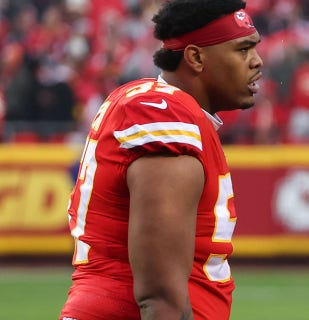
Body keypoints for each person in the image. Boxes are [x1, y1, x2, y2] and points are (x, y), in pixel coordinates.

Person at [59, 0, 262, 319]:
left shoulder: (153, 103)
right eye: (242, 50)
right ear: (195, 57)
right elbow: (161, 296)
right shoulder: (162, 114)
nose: (257, 62)